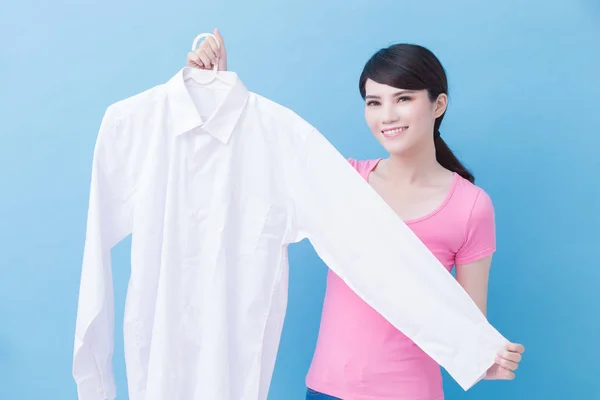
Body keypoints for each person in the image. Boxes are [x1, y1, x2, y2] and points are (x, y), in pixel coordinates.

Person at [186, 28, 525, 400]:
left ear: (438, 104)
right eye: (373, 102)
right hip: (325, 390)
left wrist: (483, 360)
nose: (387, 115)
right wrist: (216, 90)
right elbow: (248, 173)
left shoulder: (471, 206)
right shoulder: (343, 181)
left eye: (403, 98)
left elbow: (465, 323)